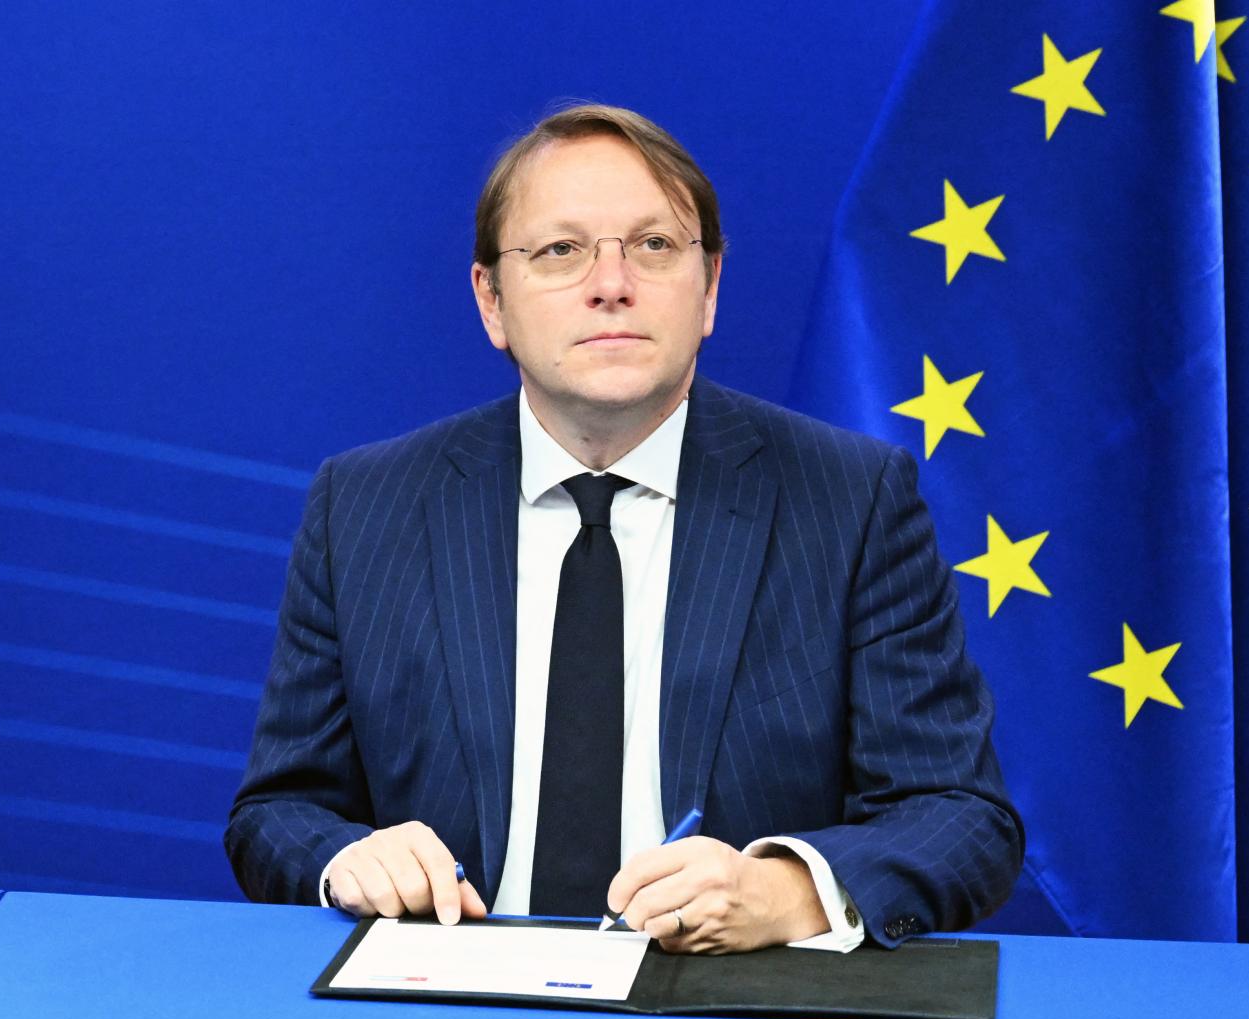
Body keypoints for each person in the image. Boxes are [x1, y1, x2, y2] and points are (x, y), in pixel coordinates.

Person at [225, 104, 1022, 953]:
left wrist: (788, 889)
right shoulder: (365, 506)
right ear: (491, 301)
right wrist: (346, 858)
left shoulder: (852, 501)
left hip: (729, 996)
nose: (611, 284)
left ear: (709, 288)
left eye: (653, 245)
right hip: (447, 990)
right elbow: (279, 810)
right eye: (560, 251)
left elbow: (959, 813)